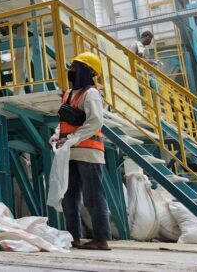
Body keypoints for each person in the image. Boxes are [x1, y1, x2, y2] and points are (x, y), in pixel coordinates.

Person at [51, 52, 111, 251]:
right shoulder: (69, 94)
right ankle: (73, 237)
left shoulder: (91, 93)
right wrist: (57, 134)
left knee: (93, 197)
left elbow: (95, 121)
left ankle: (101, 239)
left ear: (88, 72)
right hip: (69, 151)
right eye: (73, 66)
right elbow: (65, 121)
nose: (72, 70)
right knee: (69, 197)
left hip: (89, 152)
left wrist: (73, 138)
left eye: (77, 67)